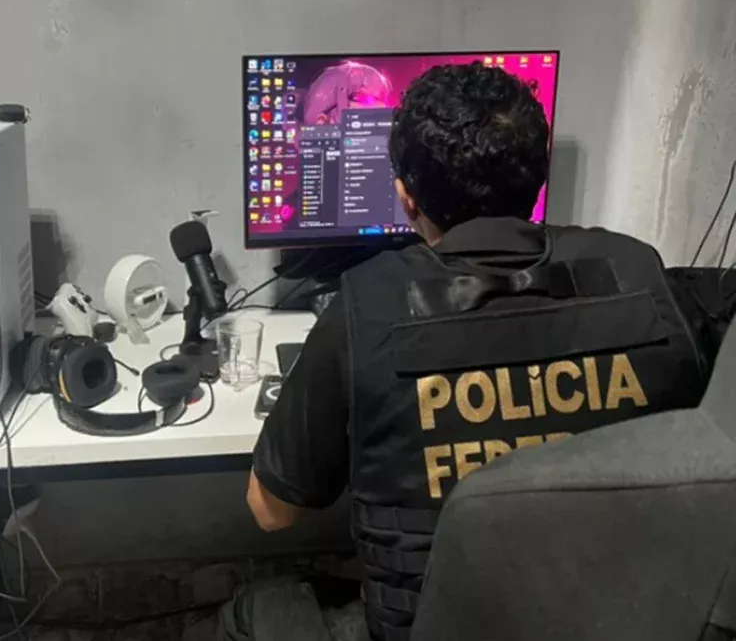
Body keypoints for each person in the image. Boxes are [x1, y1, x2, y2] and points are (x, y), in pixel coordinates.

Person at [246, 62, 736, 640]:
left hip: (436, 627)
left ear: (405, 197)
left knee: (254, 608)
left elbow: (272, 511)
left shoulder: (366, 306)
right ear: (537, 177)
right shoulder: (637, 271)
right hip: (621, 620)